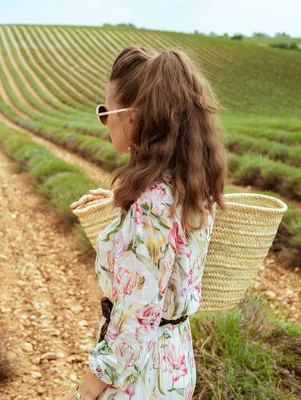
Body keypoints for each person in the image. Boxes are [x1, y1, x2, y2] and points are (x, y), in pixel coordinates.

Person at [64, 44, 229, 399]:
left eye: (105, 111)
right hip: (174, 362)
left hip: (139, 376)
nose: (105, 121)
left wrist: (92, 386)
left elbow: (138, 313)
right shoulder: (190, 184)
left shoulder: (152, 203)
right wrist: (122, 208)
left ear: (133, 117)